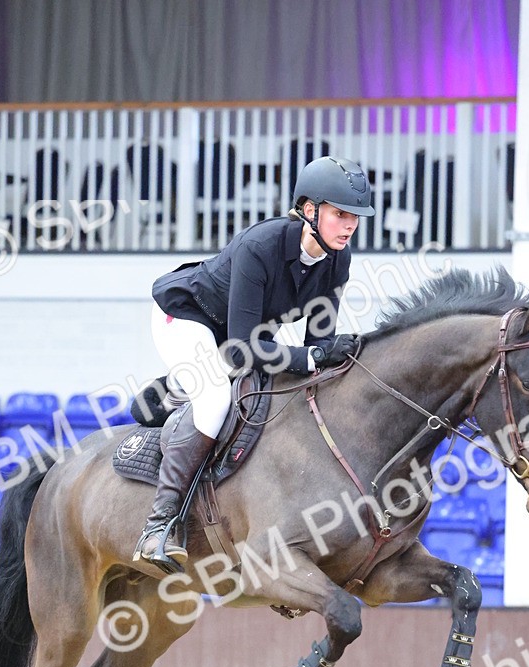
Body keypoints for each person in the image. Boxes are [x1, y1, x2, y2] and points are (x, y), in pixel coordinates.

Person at [133, 155, 375, 574]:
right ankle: (159, 525)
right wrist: (313, 356)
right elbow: (244, 351)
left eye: (354, 216)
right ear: (309, 210)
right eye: (340, 214)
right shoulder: (260, 246)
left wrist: (338, 356)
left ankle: (174, 390)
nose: (350, 224)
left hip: (239, 336)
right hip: (188, 316)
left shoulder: (338, 259)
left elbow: (316, 344)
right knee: (214, 400)